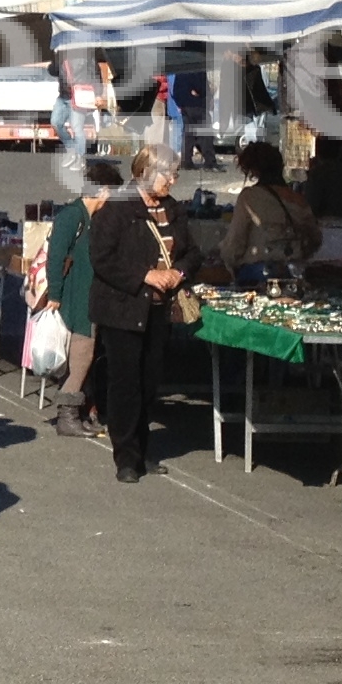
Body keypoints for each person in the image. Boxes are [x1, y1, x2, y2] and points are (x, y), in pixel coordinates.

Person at [88, 146, 200, 483]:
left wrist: (178, 273)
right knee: (125, 383)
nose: (172, 181)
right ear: (145, 173)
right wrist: (145, 275)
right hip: (122, 308)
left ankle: (144, 450)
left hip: (158, 309)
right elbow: (102, 258)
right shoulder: (118, 209)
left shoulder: (173, 209)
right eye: (168, 174)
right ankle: (126, 457)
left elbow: (193, 252)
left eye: (174, 174)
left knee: (150, 381)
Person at [32, 156, 102, 439]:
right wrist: (56, 295)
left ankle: (81, 411)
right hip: (75, 299)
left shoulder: (88, 217)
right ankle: (67, 415)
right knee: (82, 355)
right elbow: (55, 257)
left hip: (84, 296)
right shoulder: (72, 216)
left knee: (84, 354)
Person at [215, 139, 319, 291]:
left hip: (259, 275)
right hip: (294, 272)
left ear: (254, 171)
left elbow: (234, 244)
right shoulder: (298, 199)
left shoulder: (250, 197)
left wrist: (225, 258)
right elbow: (315, 239)